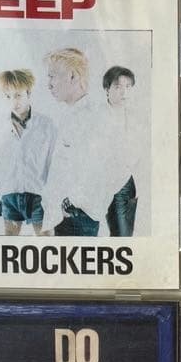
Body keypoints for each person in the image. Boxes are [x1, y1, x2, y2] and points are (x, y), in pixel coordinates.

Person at [42, 47, 111, 236]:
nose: (49, 85)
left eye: (52, 76)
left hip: (75, 219)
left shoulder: (91, 117)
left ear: (72, 76)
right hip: (64, 218)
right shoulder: (70, 115)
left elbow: (97, 169)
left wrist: (71, 203)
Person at [0, 68, 56, 236]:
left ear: (28, 93)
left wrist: (53, 195)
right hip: (9, 193)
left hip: (38, 194)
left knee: (47, 241)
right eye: (8, 96)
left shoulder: (46, 125)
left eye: (18, 95)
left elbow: (54, 162)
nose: (13, 101)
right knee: (9, 243)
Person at [102, 65, 139, 236]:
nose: (124, 92)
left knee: (123, 237)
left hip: (125, 183)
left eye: (128, 87)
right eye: (118, 87)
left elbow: (136, 154)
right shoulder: (96, 115)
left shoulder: (135, 117)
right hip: (101, 182)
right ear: (107, 89)